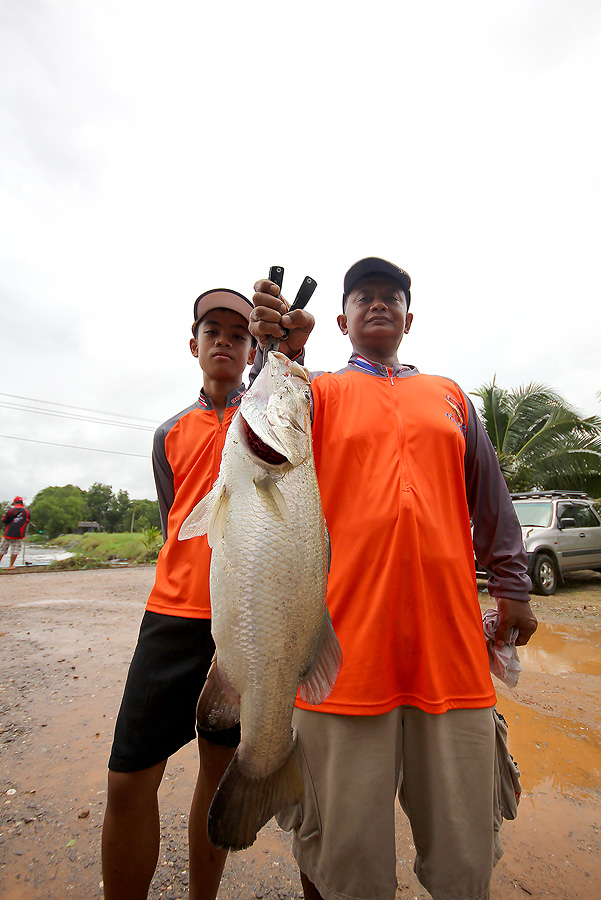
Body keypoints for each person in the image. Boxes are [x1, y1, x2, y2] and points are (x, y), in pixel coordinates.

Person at [249, 258, 538, 900]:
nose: (378, 305)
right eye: (363, 297)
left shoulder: (451, 396)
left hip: (452, 652)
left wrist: (512, 586)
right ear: (341, 318)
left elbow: (491, 499)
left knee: (464, 856)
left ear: (409, 317)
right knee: (346, 858)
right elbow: (263, 435)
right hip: (344, 652)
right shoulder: (316, 392)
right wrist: (275, 350)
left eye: (391, 297)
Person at [101, 287, 311, 900]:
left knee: (217, 774)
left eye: (238, 332)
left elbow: (301, 392)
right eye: (211, 329)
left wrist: (288, 346)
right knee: (127, 781)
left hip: (253, 624)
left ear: (251, 349)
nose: (225, 339)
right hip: (173, 619)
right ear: (193, 343)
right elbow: (177, 520)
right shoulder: (169, 433)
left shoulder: (274, 413)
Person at [0, 496, 30, 570]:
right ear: (22, 503)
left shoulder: (10, 510)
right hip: (19, 534)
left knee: (2, 549)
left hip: (8, 533)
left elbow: (4, 520)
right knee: (15, 550)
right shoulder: (27, 511)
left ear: (14, 503)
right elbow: (27, 520)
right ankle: (11, 565)